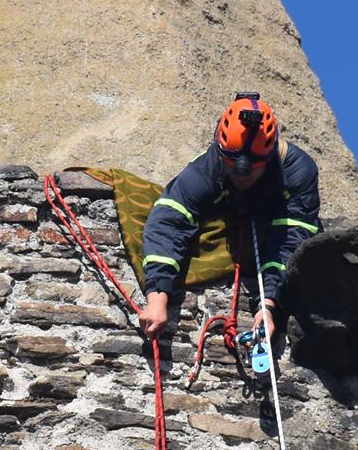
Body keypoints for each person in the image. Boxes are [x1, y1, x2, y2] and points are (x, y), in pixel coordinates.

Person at [136, 92, 322, 344]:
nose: (241, 173)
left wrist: (267, 305)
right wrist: (157, 298)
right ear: (219, 149)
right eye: (231, 163)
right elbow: (168, 222)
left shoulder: (298, 172)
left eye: (253, 167)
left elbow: (289, 241)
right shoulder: (206, 168)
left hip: (273, 220)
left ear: (268, 158)